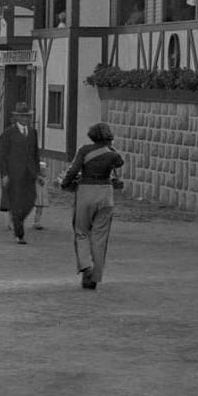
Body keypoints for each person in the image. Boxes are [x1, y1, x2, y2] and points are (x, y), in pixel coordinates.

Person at [61, 122, 125, 290]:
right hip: (105, 193)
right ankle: (95, 276)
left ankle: (85, 266)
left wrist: (65, 183)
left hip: (86, 191)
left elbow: (74, 170)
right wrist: (111, 148)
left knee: (81, 231)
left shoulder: (84, 150)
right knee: (100, 236)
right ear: (108, 138)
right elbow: (120, 162)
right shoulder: (112, 154)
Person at [0, 104, 43, 244]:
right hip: (14, 174)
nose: (26, 118)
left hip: (30, 173)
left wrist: (38, 173)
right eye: (23, 115)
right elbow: (3, 156)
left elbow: (35, 154)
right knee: (16, 203)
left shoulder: (33, 132)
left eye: (28, 116)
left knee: (30, 201)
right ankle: (19, 234)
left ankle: (18, 219)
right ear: (16, 117)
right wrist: (4, 175)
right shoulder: (9, 133)